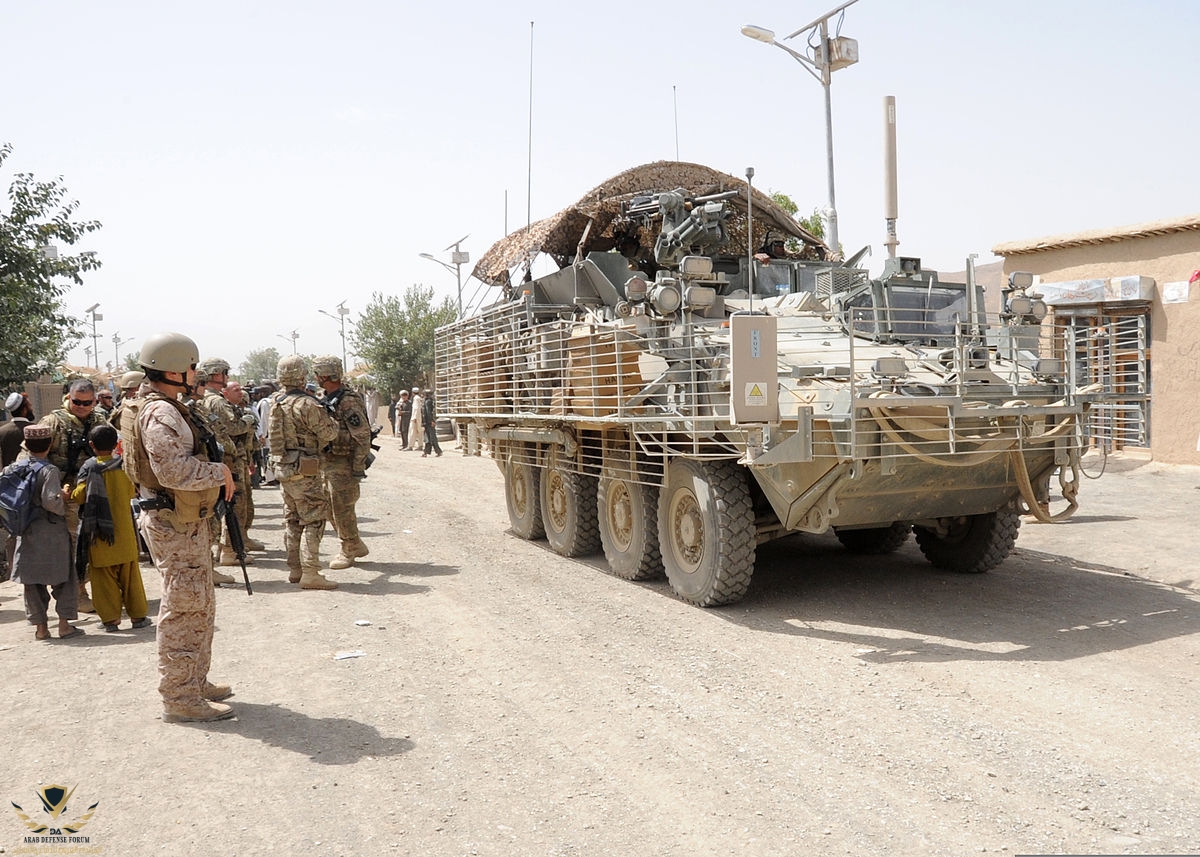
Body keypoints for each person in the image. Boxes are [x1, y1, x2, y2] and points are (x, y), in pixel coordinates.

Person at [122, 331, 236, 723]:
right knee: (184, 607)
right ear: (173, 369)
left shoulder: (170, 406)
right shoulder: (161, 413)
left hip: (184, 521)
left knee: (200, 601)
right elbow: (171, 470)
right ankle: (180, 696)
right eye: (191, 367)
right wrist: (219, 472)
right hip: (172, 521)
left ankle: (195, 681)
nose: (195, 374)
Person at [69, 423, 150, 633]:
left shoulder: (89, 467)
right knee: (131, 577)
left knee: (103, 579)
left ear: (91, 445)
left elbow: (80, 496)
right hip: (124, 534)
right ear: (116, 444)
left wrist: (68, 491)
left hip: (100, 535)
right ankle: (139, 616)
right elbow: (133, 492)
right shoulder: (124, 466)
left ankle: (111, 620)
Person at [268, 354, 340, 590]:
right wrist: (333, 422)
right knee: (315, 519)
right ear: (302, 377)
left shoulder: (276, 402)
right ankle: (310, 571)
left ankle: (295, 569)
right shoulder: (307, 404)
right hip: (304, 470)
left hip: (283, 469)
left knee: (292, 519)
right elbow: (328, 434)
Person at [41, 378, 108, 614]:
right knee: (75, 545)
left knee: (97, 543)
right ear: (69, 398)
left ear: (94, 401)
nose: (81, 406)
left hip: (96, 492)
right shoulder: (53, 422)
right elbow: (31, 458)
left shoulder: (100, 420)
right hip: (67, 495)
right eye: (76, 401)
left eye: (86, 402)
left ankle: (98, 589)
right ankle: (79, 593)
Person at [10, 424, 80, 641]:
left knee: (32, 582)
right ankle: (64, 625)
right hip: (51, 531)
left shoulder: (14, 468)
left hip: (26, 530)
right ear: (49, 444)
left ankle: (41, 629)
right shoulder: (49, 470)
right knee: (64, 578)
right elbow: (51, 501)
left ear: (27, 444)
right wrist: (64, 496)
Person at [313, 356, 372, 571]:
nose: (316, 377)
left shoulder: (348, 400)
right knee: (329, 507)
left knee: (342, 508)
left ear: (325, 375)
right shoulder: (325, 397)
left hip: (344, 463)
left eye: (318, 373)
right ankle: (354, 542)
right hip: (327, 462)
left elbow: (363, 435)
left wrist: (358, 467)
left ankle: (348, 547)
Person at [421, 388, 442, 458]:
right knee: (428, 437)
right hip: (427, 422)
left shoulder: (428, 402)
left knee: (432, 437)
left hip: (428, 422)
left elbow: (428, 412)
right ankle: (426, 451)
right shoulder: (427, 401)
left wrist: (431, 421)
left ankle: (438, 451)